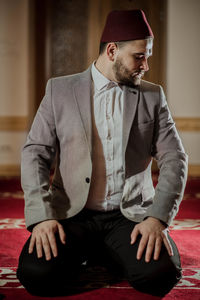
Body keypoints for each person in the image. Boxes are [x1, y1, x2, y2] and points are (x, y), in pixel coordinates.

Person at [17, 9, 188, 297]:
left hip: (129, 217)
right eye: (139, 55)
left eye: (148, 55)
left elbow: (175, 159)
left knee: (160, 277)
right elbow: (35, 153)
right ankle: (103, 253)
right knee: (36, 276)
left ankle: (108, 251)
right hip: (72, 216)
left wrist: (157, 219)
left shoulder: (153, 95)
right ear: (112, 51)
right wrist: (42, 217)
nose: (146, 65)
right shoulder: (59, 90)